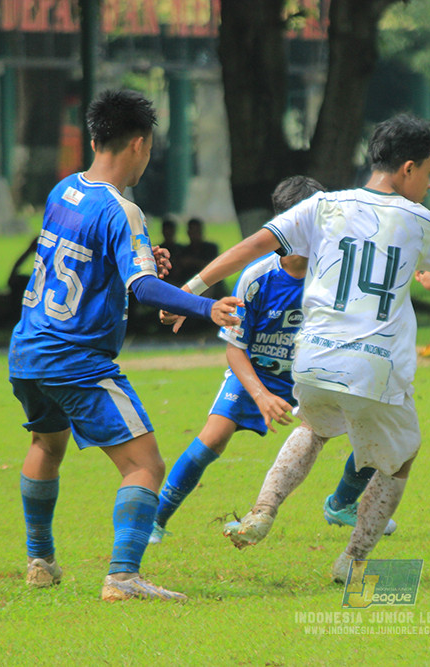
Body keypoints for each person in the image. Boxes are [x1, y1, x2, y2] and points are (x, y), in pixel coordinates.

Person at [165, 113, 430, 581]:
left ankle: (263, 511)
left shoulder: (323, 205)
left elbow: (250, 246)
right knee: (401, 456)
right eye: (427, 173)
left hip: (314, 359)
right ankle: (353, 561)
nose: (428, 184)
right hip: (374, 365)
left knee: (313, 426)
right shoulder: (422, 221)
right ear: (408, 168)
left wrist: (188, 292)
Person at [8, 89, 242, 602]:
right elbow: (140, 288)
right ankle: (123, 576)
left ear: (95, 138)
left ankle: (40, 561)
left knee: (46, 445)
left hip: (27, 350)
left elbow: (83, 262)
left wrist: (135, 260)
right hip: (75, 358)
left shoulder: (64, 190)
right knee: (145, 466)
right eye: (151, 148)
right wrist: (203, 305)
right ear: (139, 143)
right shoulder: (125, 210)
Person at [148, 175, 396, 545]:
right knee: (213, 437)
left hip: (311, 375)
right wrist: (261, 396)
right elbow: (236, 347)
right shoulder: (258, 277)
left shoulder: (333, 274)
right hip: (257, 372)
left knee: (378, 424)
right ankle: (155, 520)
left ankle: (341, 503)